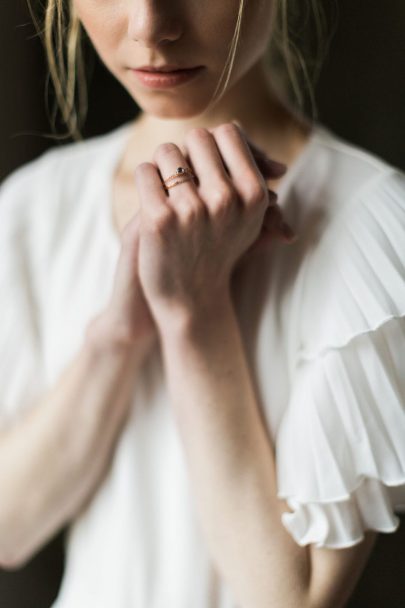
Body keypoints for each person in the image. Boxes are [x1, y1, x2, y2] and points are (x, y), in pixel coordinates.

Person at [0, 0, 404, 606]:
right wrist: (119, 335)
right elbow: (10, 528)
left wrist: (193, 313)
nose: (149, 27)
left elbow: (291, 601)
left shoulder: (373, 227)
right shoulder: (37, 207)